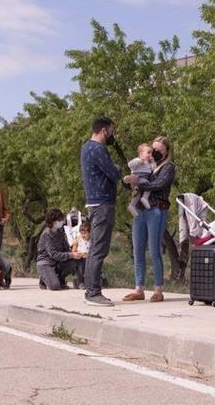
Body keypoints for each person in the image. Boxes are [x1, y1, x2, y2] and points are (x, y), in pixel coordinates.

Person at [122, 136, 176, 303]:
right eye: (153, 149)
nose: (155, 152)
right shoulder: (146, 164)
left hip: (156, 210)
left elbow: (158, 185)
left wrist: (138, 183)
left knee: (154, 250)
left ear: (166, 151)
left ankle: (158, 289)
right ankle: (139, 288)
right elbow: (134, 180)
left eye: (159, 150)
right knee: (138, 250)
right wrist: (128, 181)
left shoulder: (168, 167)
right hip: (140, 210)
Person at [80, 116, 121, 306]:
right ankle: (93, 293)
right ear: (104, 130)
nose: (112, 135)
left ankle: (90, 290)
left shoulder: (86, 148)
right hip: (103, 204)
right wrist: (119, 169)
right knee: (98, 250)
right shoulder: (98, 149)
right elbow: (113, 174)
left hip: (94, 203)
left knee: (95, 249)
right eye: (111, 130)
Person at [36, 208, 83, 290]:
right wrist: (71, 255)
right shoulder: (47, 234)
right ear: (53, 221)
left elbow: (66, 249)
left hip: (57, 263)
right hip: (45, 263)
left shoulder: (60, 233)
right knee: (55, 286)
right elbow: (53, 254)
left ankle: (60, 279)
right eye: (59, 220)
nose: (61, 221)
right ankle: (44, 278)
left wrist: (75, 253)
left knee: (73, 262)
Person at [127, 143, 154, 216]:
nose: (150, 155)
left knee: (137, 194)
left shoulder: (148, 163)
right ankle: (144, 198)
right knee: (149, 186)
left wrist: (153, 162)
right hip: (137, 178)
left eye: (151, 153)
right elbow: (130, 165)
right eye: (148, 152)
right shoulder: (137, 159)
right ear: (141, 154)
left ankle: (132, 205)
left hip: (143, 179)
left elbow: (153, 169)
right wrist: (137, 162)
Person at [70, 220, 91, 289]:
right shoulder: (79, 239)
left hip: (88, 257)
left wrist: (88, 254)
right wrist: (76, 252)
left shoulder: (92, 240)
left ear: (90, 233)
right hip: (80, 258)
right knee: (80, 267)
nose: (83, 235)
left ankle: (91, 281)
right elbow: (74, 249)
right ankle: (80, 282)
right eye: (81, 233)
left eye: (85, 233)